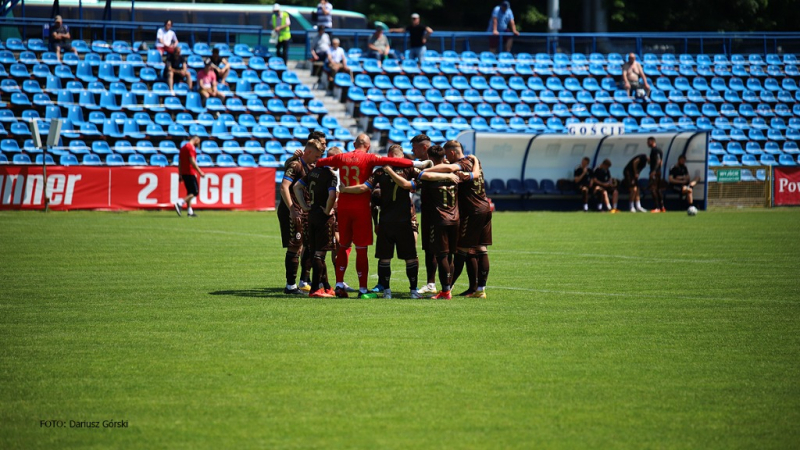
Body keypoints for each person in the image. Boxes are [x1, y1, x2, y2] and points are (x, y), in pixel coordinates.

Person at [316, 134, 432, 299]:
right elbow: (396, 164)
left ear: (354, 143)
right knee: (362, 249)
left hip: (344, 207)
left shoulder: (342, 157)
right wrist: (416, 163)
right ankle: (363, 288)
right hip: (363, 209)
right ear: (368, 146)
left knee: (343, 245)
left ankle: (339, 283)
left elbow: (320, 163)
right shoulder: (371, 159)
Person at [342, 145, 458, 299]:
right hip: (404, 220)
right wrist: (448, 176)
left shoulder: (381, 171)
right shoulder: (409, 170)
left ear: (389, 156)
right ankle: (413, 290)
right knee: (410, 257)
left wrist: (345, 189)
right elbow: (426, 177)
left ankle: (387, 292)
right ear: (400, 156)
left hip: (386, 221)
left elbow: (364, 187)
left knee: (385, 258)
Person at [441, 140, 492, 298]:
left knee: (461, 249)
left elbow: (452, 170)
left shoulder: (462, 164)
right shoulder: (474, 161)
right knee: (480, 248)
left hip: (472, 211)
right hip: (485, 207)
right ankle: (479, 289)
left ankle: (447, 288)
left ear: (452, 153)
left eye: (446, 154)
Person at [293, 146, 343, 298]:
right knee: (320, 254)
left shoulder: (313, 172)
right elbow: (332, 195)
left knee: (315, 252)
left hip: (311, 214)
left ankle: (325, 286)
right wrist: (328, 211)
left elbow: (297, 187)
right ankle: (315, 289)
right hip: (323, 218)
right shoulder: (331, 175)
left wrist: (304, 206)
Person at [278, 139, 326, 295]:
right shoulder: (296, 165)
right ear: (309, 152)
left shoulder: (309, 166)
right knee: (295, 245)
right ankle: (290, 285)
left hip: (302, 210)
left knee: (303, 245)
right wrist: (292, 209)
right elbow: (284, 187)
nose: (317, 159)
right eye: (316, 156)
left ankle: (300, 282)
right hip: (292, 210)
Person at [407, 134, 437, 294]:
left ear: (424, 148)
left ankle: (446, 285)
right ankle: (432, 283)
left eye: (415, 147)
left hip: (438, 212)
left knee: (443, 250)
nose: (412, 150)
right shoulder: (420, 165)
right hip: (428, 211)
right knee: (429, 248)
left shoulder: (439, 163)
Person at [174, 136, 205, 217]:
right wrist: (200, 172)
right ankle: (180, 203)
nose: (198, 144)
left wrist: (180, 174)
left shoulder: (183, 148)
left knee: (189, 192)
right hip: (190, 172)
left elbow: (180, 162)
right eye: (198, 142)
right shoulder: (190, 147)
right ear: (196, 139)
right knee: (195, 192)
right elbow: (192, 161)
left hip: (184, 173)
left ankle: (189, 211)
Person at [647, 137, 665, 212]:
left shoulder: (655, 150)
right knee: (658, 189)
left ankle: (657, 207)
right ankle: (662, 207)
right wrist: (650, 161)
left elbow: (658, 161)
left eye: (648, 142)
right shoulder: (659, 150)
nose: (647, 144)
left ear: (652, 141)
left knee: (653, 189)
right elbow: (661, 161)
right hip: (658, 171)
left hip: (655, 172)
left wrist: (653, 171)